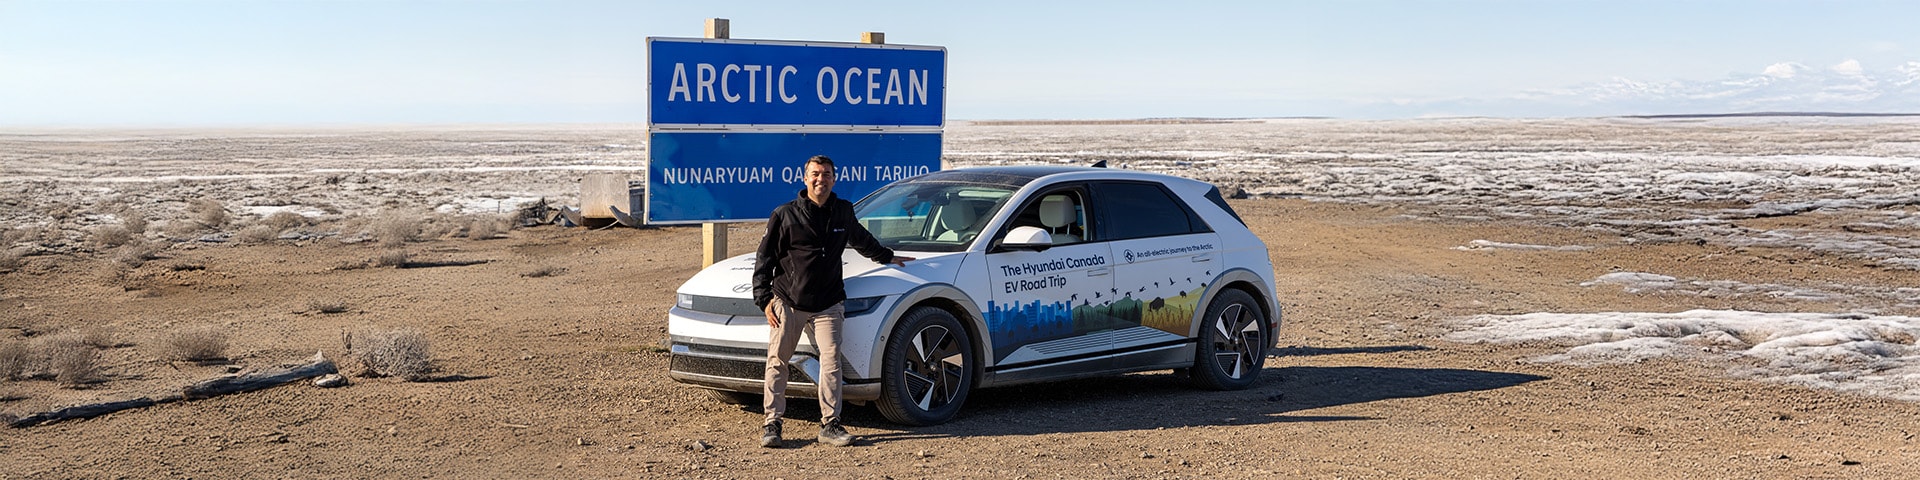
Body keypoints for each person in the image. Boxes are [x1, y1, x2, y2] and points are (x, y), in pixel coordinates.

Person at [752, 155, 913, 448]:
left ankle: (830, 425)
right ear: (805, 178)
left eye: (826, 174)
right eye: (815, 174)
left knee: (831, 362)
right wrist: (763, 299)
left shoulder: (842, 211)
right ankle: (772, 424)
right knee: (778, 361)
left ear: (833, 179)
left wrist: (887, 257)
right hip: (789, 301)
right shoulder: (785, 214)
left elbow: (862, 239)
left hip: (828, 302)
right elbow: (764, 259)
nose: (820, 179)